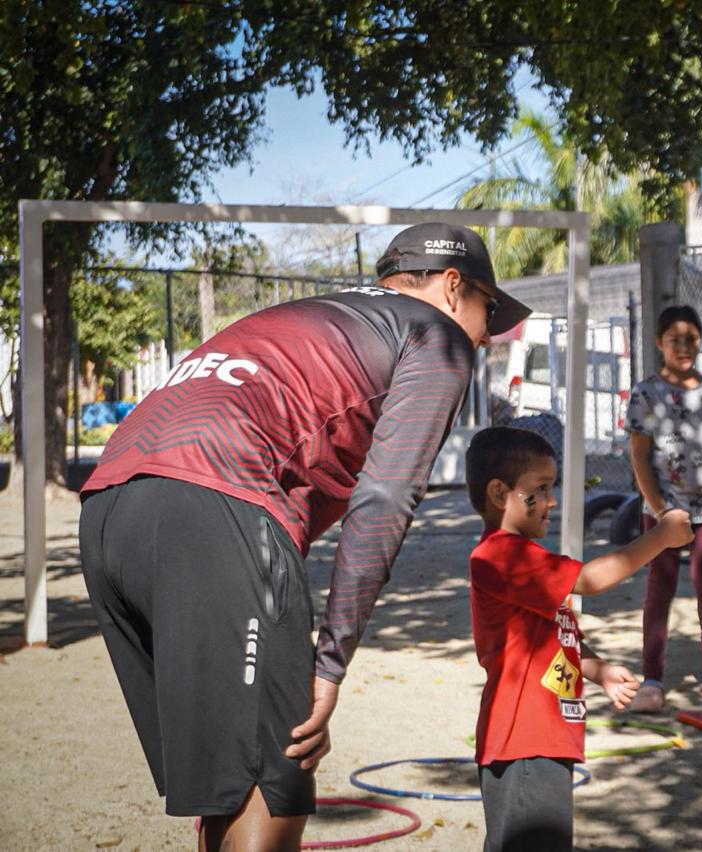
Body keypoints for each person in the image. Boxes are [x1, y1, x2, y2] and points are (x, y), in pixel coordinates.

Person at [78, 223, 531, 849]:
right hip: (214, 504)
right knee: (273, 778)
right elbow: (385, 498)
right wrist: (329, 665)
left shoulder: (312, 316)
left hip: (108, 508)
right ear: (453, 287)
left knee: (231, 784)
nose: (485, 335)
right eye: (489, 312)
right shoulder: (438, 334)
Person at [465, 426, 692, 852]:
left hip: (544, 740)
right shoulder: (500, 555)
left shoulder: (523, 559)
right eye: (540, 489)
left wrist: (598, 669)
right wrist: (660, 537)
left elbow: (555, 637)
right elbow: (589, 579)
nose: (551, 500)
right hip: (524, 742)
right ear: (499, 493)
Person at [625, 305, 702, 713]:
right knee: (660, 588)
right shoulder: (645, 392)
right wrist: (658, 509)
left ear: (700, 340)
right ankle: (652, 676)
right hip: (664, 509)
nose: (683, 347)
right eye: (674, 340)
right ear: (659, 343)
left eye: (691, 339)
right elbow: (639, 456)